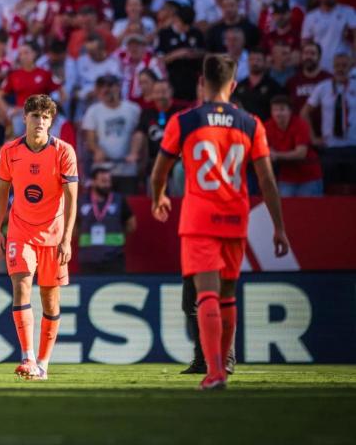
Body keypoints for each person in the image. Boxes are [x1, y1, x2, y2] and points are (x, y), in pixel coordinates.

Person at [151, 54, 289, 390]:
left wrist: (159, 197)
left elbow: (160, 172)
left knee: (206, 295)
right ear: (233, 84)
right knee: (227, 294)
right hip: (235, 216)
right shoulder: (250, 123)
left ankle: (214, 372)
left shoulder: (184, 121)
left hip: (199, 218)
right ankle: (222, 367)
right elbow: (267, 180)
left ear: (202, 82)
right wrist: (279, 227)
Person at [0, 94, 78, 380]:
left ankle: (43, 363)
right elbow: (2, 192)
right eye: (34, 116)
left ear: (51, 121)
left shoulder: (64, 152)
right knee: (21, 286)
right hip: (20, 230)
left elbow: (72, 197)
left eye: (45, 117)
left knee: (50, 299)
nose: (39, 121)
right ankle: (27, 356)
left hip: (53, 234)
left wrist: (66, 238)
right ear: (25, 119)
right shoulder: (10, 151)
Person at [302, 52, 356, 188]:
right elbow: (304, 113)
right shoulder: (323, 87)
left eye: (344, 65)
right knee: (331, 188)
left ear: (351, 67)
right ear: (332, 67)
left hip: (353, 146)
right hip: (330, 147)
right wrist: (313, 138)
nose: (340, 69)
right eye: (337, 65)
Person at [76, 166, 135, 274]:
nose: (107, 185)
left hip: (114, 258)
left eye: (109, 181)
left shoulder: (119, 200)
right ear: (93, 182)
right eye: (103, 181)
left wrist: (119, 236)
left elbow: (131, 224)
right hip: (88, 259)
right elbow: (73, 225)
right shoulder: (81, 201)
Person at [265, 95, 323, 197]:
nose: (278, 113)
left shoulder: (300, 124)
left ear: (290, 111)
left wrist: (276, 155)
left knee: (310, 210)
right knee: (286, 210)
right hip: (287, 177)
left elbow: (301, 153)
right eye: (275, 110)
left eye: (282, 109)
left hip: (309, 176)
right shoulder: (267, 126)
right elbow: (264, 149)